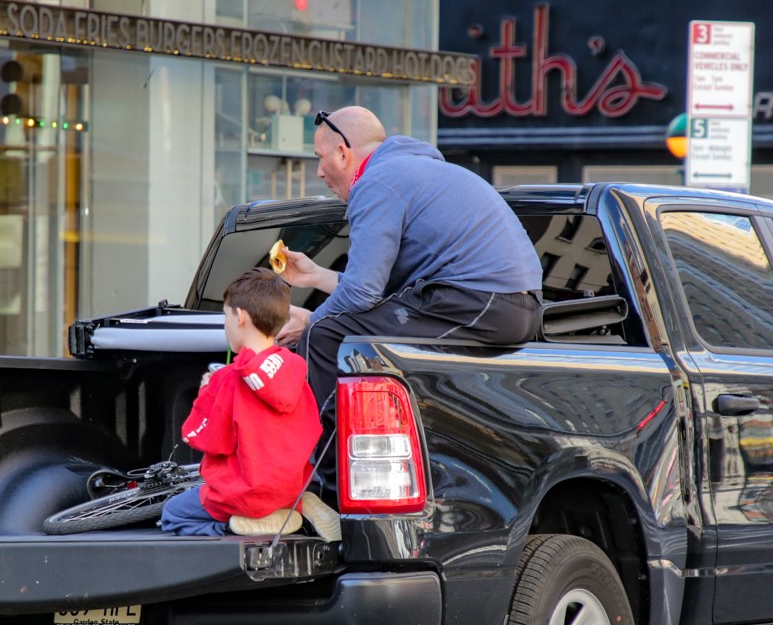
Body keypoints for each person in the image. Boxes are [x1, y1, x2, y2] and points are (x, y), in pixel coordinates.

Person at [275, 105, 545, 424]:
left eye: (320, 157)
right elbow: (376, 293)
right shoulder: (411, 172)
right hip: (512, 307)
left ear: (343, 153)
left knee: (323, 335)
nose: (319, 172)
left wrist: (309, 322)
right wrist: (318, 276)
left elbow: (361, 296)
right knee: (347, 327)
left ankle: (325, 470)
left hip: (482, 304)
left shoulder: (376, 183)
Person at [159, 268, 336, 540]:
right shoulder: (296, 367)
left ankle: (236, 525)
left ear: (240, 317)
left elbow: (203, 439)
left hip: (245, 493)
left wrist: (207, 392)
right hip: (291, 487)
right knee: (276, 495)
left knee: (173, 513)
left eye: (226, 317)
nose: (225, 324)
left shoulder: (228, 379)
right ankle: (298, 504)